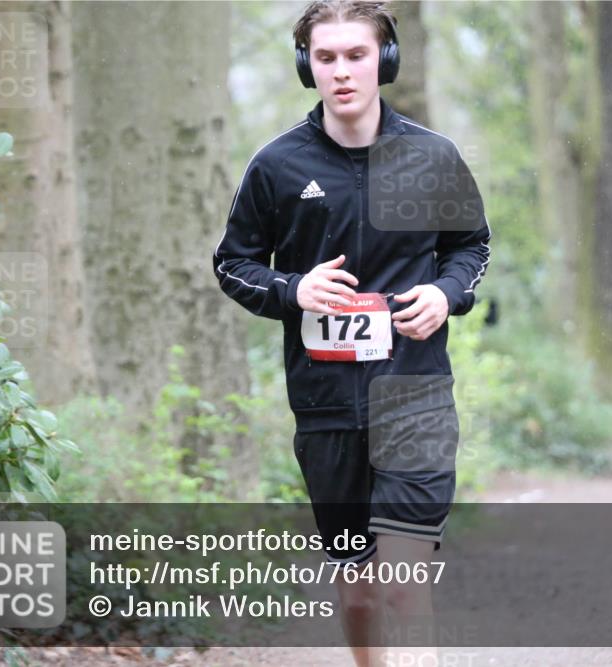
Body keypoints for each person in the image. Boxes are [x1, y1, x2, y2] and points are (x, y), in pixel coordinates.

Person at [212, 2, 491, 664]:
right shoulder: (278, 165)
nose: (341, 71)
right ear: (307, 66)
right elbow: (232, 263)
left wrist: (444, 293)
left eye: (356, 55)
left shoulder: (432, 157)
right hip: (326, 406)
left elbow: (470, 247)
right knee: (360, 590)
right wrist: (293, 289)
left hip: (414, 396)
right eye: (326, 57)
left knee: (402, 580)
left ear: (384, 60)